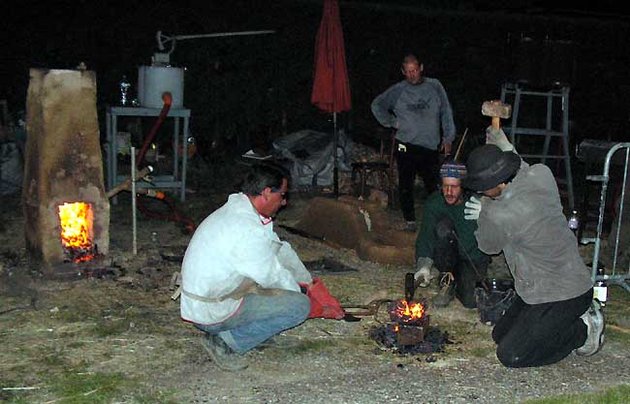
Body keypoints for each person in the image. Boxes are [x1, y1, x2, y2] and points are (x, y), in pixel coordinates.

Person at [462, 127, 604, 368]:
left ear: (496, 185)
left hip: (563, 295)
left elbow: (487, 246)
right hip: (541, 289)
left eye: (481, 188)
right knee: (500, 335)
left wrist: (483, 213)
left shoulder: (499, 214)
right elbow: (522, 169)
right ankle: (565, 322)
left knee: (511, 355)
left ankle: (584, 330)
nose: (479, 192)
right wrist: (507, 147)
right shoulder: (541, 175)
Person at [180, 162, 312, 371]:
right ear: (267, 193)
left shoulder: (239, 212)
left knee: (273, 293)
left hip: (206, 299)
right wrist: (305, 294)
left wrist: (308, 280)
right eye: (282, 196)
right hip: (211, 310)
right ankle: (225, 342)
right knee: (299, 307)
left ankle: (255, 332)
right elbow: (272, 275)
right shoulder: (246, 228)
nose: (284, 202)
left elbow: (277, 248)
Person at [371, 53, 456, 231]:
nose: (412, 75)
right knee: (405, 183)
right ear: (403, 71)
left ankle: (439, 218)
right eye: (408, 71)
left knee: (433, 184)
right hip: (406, 144)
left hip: (430, 144)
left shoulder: (435, 86)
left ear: (421, 68)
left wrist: (448, 137)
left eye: (415, 70)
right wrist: (392, 122)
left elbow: (446, 111)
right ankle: (409, 220)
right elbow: (377, 105)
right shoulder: (398, 90)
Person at [414, 160, 489, 308]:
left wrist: (488, 213)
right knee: (443, 227)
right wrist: (424, 265)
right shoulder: (434, 203)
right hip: (448, 252)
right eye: (445, 186)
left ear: (463, 186)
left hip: (472, 255)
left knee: (471, 301)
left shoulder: (476, 203)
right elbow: (426, 236)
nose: (448, 192)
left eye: (454, 187)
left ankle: (460, 281)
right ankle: (447, 280)